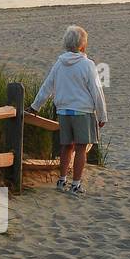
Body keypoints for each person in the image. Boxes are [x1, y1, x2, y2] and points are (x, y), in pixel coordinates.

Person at [28, 25, 108, 195]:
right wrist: (102, 115)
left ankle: (62, 179)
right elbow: (96, 90)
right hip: (82, 111)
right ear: (83, 45)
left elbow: (47, 86)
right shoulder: (88, 65)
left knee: (66, 147)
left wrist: (36, 106)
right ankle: (76, 184)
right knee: (80, 148)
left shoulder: (59, 63)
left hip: (63, 111)